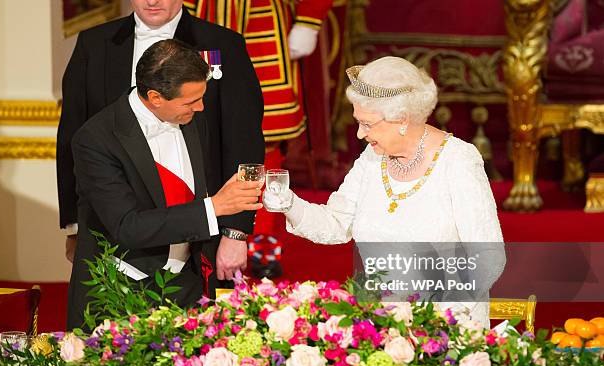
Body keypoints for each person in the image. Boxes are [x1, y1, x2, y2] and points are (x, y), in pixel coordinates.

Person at [264, 56, 505, 326]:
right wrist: (289, 203)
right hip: (379, 325)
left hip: (446, 329)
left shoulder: (458, 160)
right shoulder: (372, 158)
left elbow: (488, 257)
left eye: (366, 124)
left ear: (401, 119)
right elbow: (336, 223)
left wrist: (434, 318)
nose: (358, 134)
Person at [57, 0, 264, 290]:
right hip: (119, 227)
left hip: (202, 228)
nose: (152, 1)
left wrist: (237, 231)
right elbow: (73, 136)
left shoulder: (223, 43)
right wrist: (74, 225)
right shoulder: (94, 43)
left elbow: (244, 140)